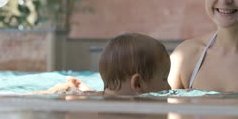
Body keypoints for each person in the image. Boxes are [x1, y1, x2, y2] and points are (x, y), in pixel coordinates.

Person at [41, 33, 171, 96]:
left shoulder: (99, 98)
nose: (169, 86)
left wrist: (86, 91)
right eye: (165, 78)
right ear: (137, 84)